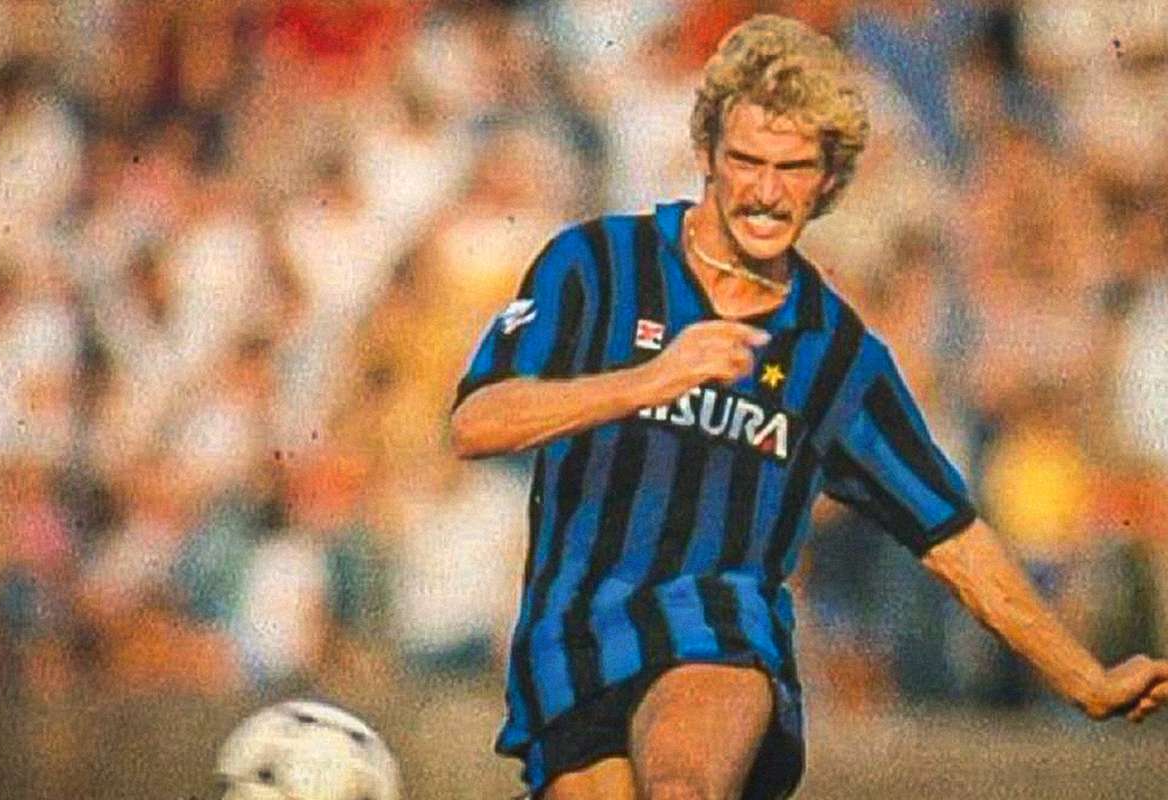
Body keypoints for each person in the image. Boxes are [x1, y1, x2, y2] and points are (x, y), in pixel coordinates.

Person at [449, 14, 1168, 800]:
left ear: (828, 181)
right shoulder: (594, 265)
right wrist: (647, 382)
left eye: (793, 168)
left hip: (717, 637)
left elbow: (950, 535)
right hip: (573, 643)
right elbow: (478, 423)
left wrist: (1085, 677)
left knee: (682, 789)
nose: (765, 192)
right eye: (746, 161)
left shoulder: (835, 352)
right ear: (707, 155)